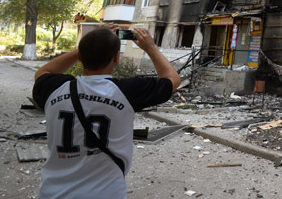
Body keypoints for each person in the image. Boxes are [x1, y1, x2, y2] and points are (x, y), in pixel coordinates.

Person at [32, 27, 180, 199]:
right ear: (116, 57)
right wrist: (150, 47)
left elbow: (42, 72)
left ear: (80, 57)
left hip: (52, 194)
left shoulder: (54, 88)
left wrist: (82, 50)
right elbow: (172, 80)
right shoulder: (128, 92)